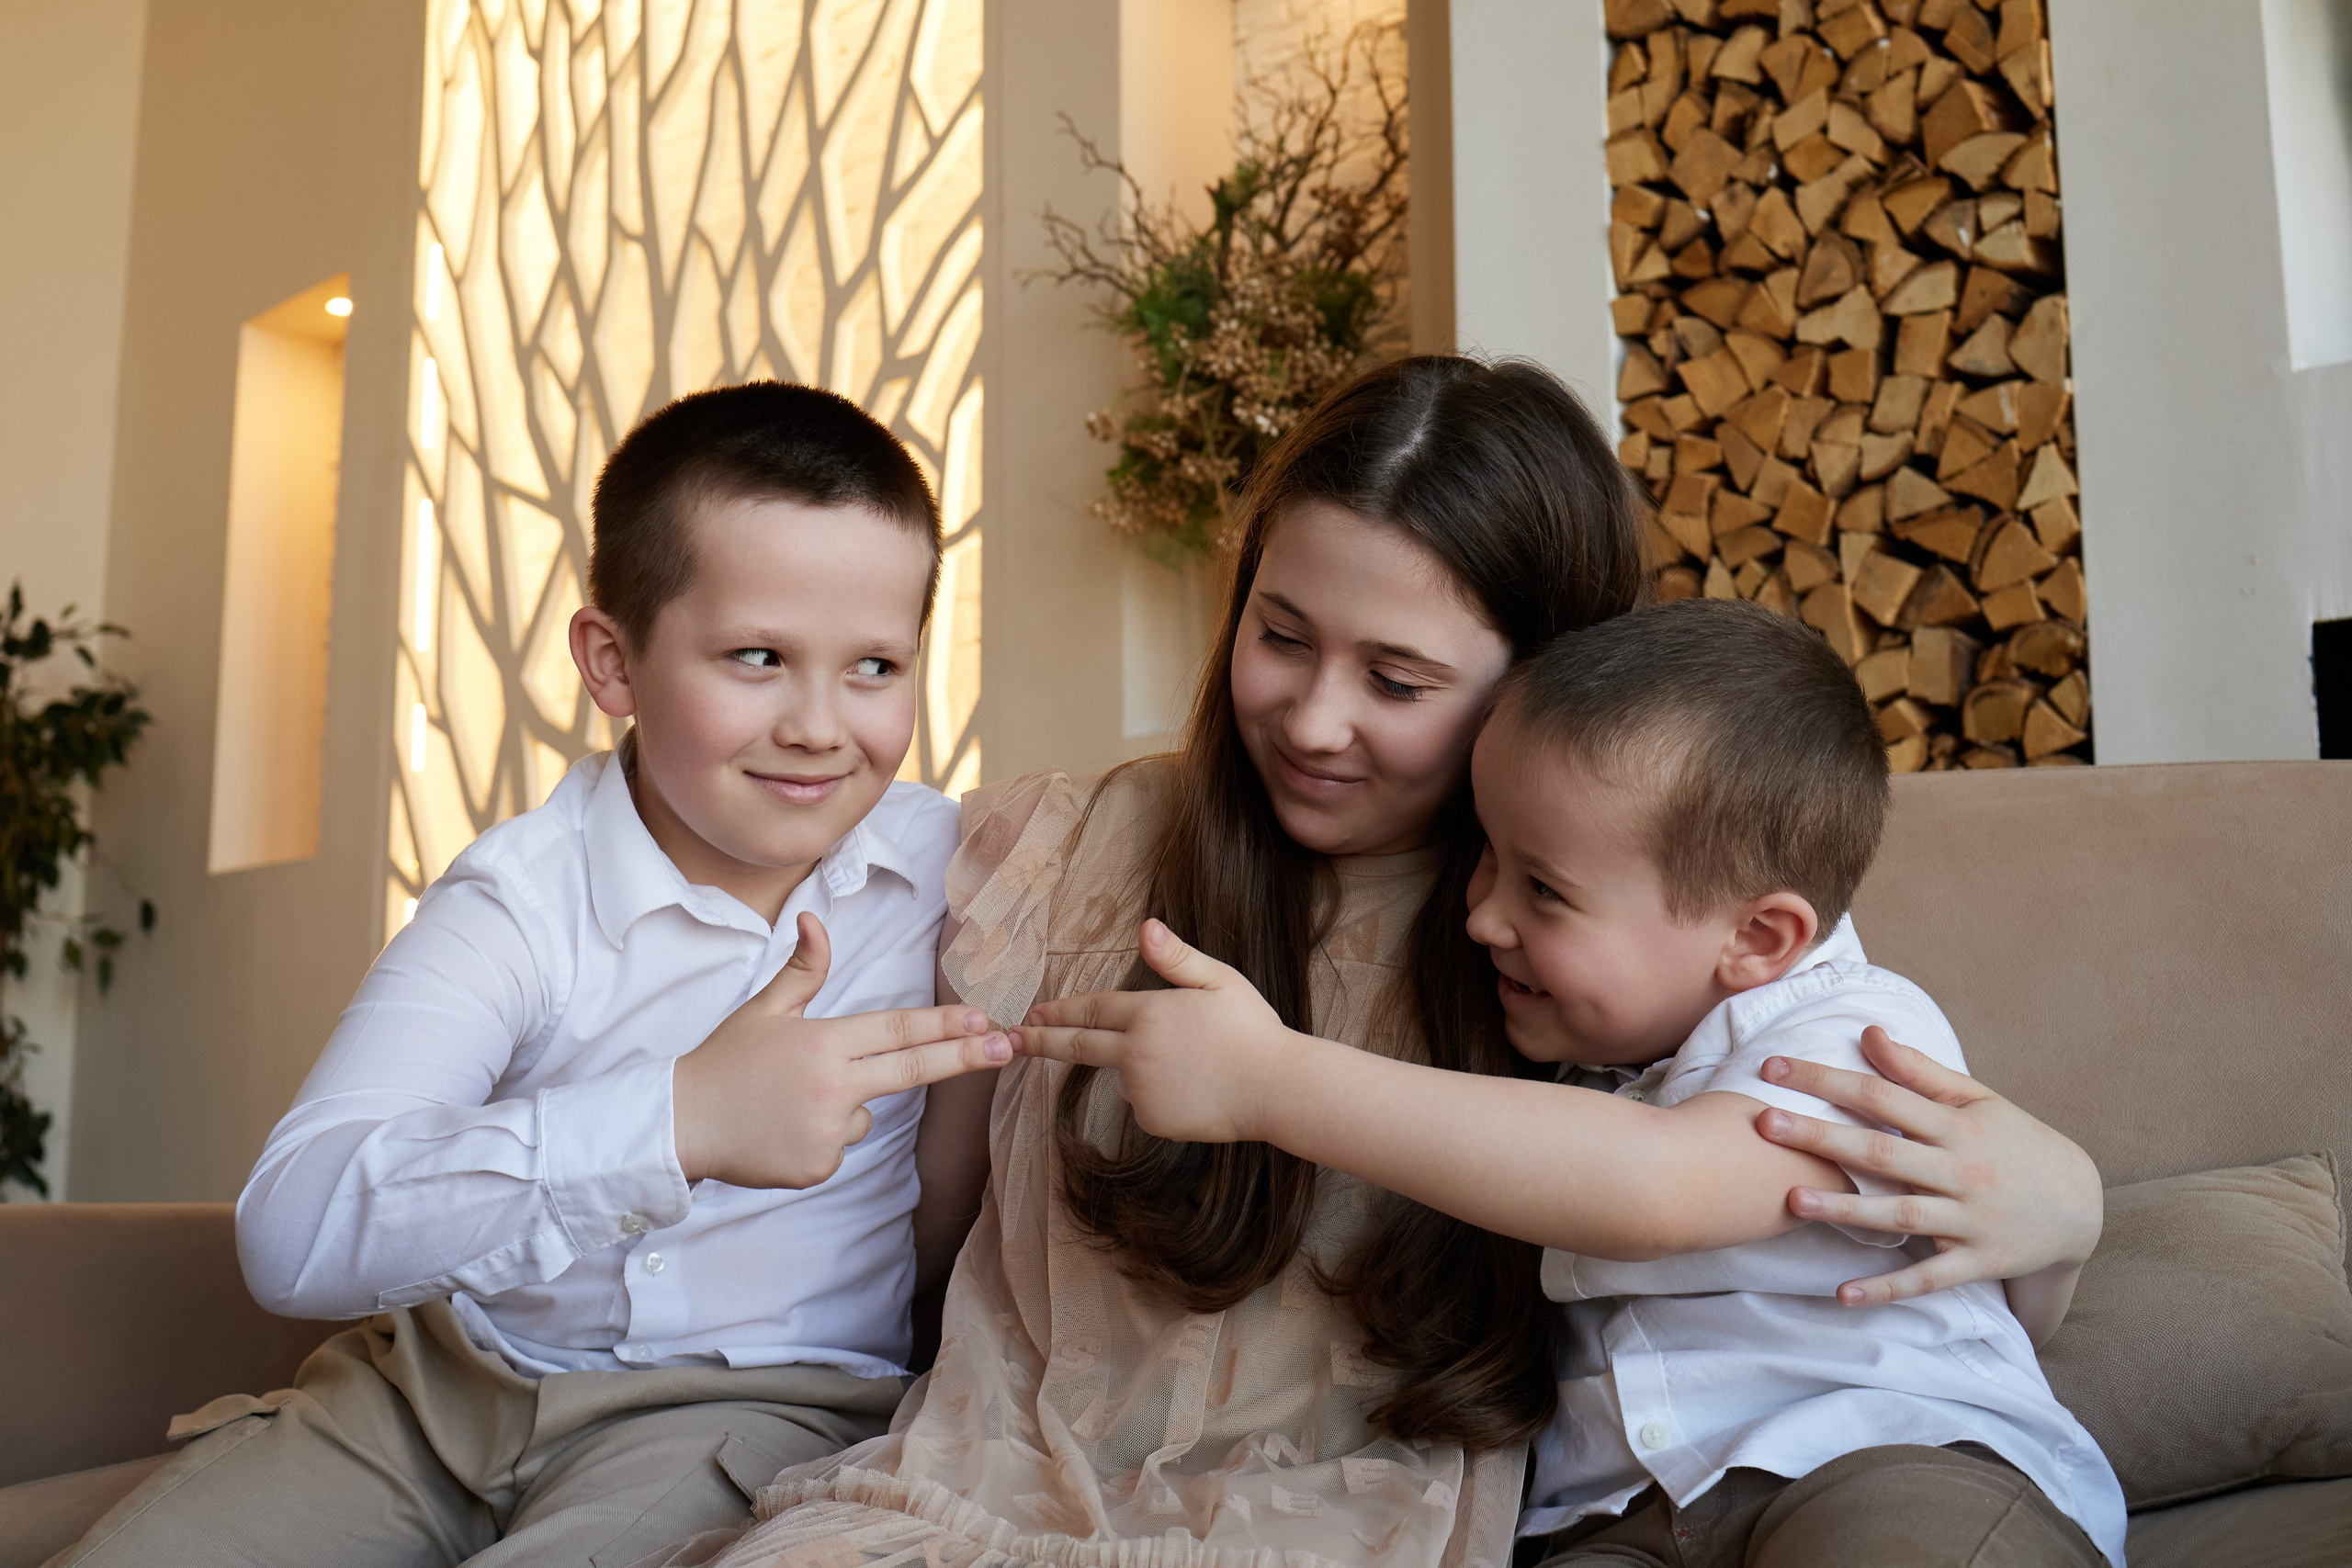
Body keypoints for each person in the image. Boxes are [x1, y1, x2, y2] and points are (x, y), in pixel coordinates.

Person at [683, 356, 2108, 1568]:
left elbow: (1704, 1155)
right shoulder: (1075, 850)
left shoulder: (1606, 939)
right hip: (982, 1478)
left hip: (1354, 1514)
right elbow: (913, 1216)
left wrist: (2072, 1203)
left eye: (1401, 679)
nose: (1311, 717)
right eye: (1280, 634)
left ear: (1550, 680)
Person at [50, 383, 1011, 1568]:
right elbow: (293, 1229)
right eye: (757, 656)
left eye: (874, 667)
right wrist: (677, 1119)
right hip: (430, 1400)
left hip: (748, 1411)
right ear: (613, 662)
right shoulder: (517, 898)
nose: (821, 724)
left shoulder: (963, 874)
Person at [1020, 598, 2125, 1566]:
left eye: (1542, 891)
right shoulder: (1583, 1062)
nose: (1481, 914)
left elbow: (1655, 1191)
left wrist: (1270, 1080)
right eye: (1485, 857)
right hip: (1613, 1519)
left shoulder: (1857, 1032)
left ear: (1759, 937)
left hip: (1882, 1456)